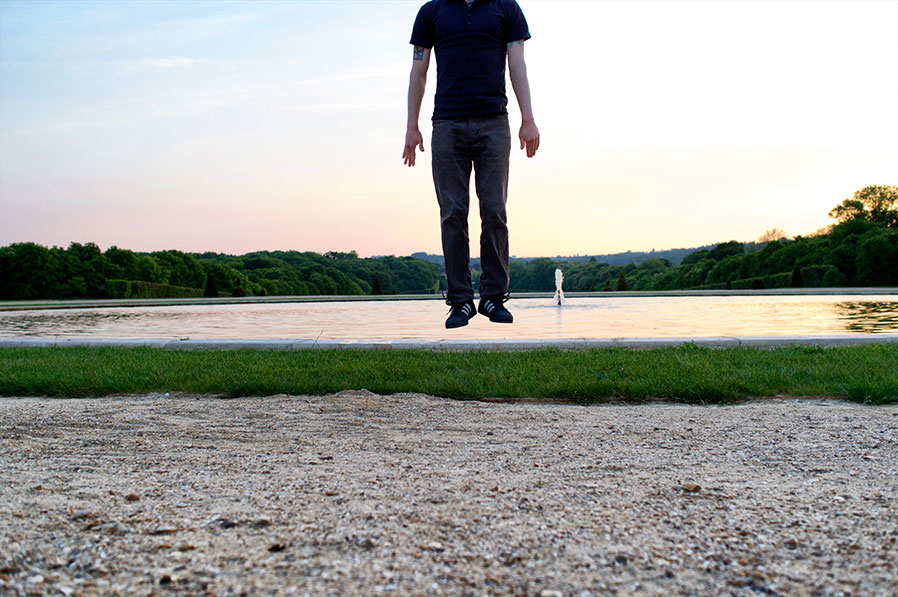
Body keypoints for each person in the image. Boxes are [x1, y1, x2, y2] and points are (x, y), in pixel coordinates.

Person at [403, 0, 539, 329]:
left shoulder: (506, 8)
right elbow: (418, 72)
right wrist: (411, 126)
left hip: (493, 121)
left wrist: (528, 118)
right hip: (447, 124)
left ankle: (493, 297)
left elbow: (517, 65)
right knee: (452, 212)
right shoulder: (431, 12)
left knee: (494, 209)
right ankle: (460, 301)